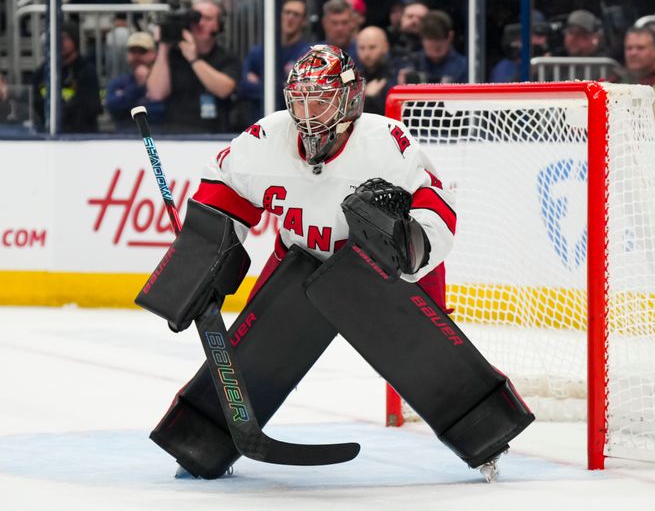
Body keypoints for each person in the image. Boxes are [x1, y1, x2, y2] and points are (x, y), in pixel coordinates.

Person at [139, 44, 534, 480]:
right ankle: (201, 439)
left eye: (320, 98)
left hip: (379, 266)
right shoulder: (262, 142)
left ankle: (485, 435)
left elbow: (436, 207)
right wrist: (198, 265)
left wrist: (409, 247)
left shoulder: (384, 142)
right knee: (253, 354)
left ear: (348, 99)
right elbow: (221, 207)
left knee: (429, 359)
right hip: (299, 259)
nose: (307, 112)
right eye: (300, 99)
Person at [146, 0, 241, 133]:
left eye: (207, 19)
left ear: (220, 24)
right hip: (174, 134)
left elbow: (224, 89)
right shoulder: (172, 56)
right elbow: (156, 94)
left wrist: (193, 59)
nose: (200, 23)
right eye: (195, 18)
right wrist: (163, 46)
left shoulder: (227, 58)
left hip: (214, 136)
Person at [238, 0, 309, 122]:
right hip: (258, 125)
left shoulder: (307, 54)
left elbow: (301, 95)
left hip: (291, 124)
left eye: (296, 14)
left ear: (304, 21)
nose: (290, 17)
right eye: (287, 12)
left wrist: (261, 83)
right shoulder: (259, 51)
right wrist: (283, 86)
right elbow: (243, 87)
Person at [33, 21, 102, 133]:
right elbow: (32, 101)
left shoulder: (86, 71)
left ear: (75, 41)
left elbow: (90, 106)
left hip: (81, 136)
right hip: (46, 133)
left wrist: (61, 113)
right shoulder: (43, 72)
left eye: (64, 38)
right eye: (55, 38)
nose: (59, 43)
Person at [105, 31, 165, 132]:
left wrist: (128, 103)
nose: (136, 56)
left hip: (158, 136)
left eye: (142, 51)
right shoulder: (119, 82)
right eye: (133, 51)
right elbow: (113, 107)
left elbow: (161, 111)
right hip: (124, 137)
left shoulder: (163, 81)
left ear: (154, 54)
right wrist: (138, 86)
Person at [399, 10, 468, 84]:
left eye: (438, 39)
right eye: (430, 39)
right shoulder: (411, 63)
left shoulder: (464, 67)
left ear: (450, 36)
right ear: (422, 38)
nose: (435, 44)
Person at [355, 26, 395, 114]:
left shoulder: (396, 74)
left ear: (385, 47)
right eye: (361, 48)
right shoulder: (353, 77)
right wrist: (368, 97)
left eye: (372, 47)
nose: (366, 53)